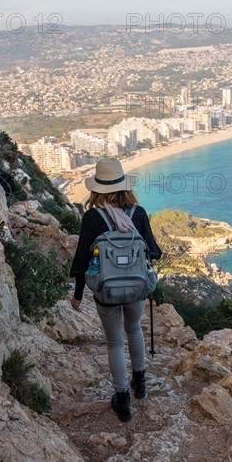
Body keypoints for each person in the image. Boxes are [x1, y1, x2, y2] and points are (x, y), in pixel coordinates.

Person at [69, 157, 162, 422]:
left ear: (97, 188)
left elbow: (81, 261)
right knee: (134, 331)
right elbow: (154, 251)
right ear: (124, 186)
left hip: (106, 292)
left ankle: (122, 401)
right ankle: (140, 384)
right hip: (137, 289)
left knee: (114, 343)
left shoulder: (92, 218)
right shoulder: (139, 213)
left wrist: (77, 295)